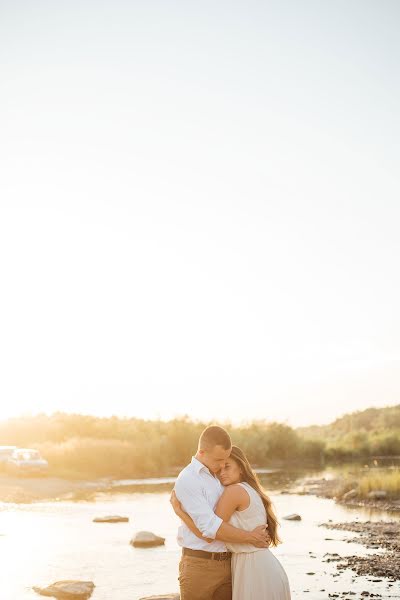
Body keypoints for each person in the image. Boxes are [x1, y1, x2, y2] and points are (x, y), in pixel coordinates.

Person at [172, 443, 291, 600]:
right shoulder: (252, 489)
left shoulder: (234, 491)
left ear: (241, 467)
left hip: (252, 569)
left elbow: (209, 534)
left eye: (227, 467)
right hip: (265, 566)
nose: (222, 473)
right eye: (219, 469)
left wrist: (180, 512)